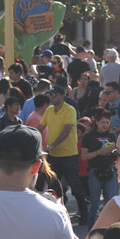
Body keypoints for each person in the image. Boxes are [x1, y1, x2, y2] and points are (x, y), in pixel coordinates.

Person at [42, 86, 86, 220]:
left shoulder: (70, 110)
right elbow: (39, 127)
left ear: (62, 96)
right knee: (51, 186)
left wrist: (52, 145)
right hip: (53, 156)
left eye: (54, 95)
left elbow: (66, 131)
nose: (52, 98)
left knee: (75, 186)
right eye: (50, 95)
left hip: (68, 155)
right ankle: (56, 213)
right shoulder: (49, 110)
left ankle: (84, 214)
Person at [80, 109, 117, 229]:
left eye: (107, 122)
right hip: (95, 171)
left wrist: (113, 152)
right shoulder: (89, 137)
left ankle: (112, 228)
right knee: (95, 204)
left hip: (110, 170)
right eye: (102, 122)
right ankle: (91, 230)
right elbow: (84, 156)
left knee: (112, 201)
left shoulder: (112, 136)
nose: (105, 125)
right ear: (96, 122)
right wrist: (99, 152)